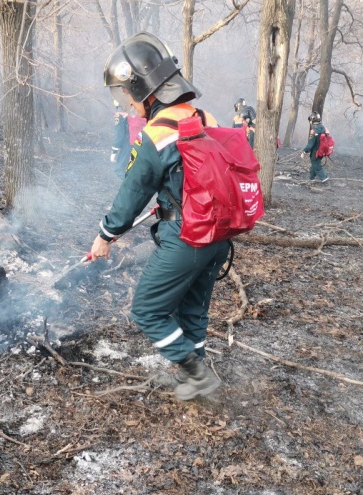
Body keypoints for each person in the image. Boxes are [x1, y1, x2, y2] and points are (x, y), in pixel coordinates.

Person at [89, 32, 229, 401]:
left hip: (187, 238)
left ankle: (195, 373)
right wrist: (172, 197)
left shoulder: (158, 131)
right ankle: (195, 375)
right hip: (218, 237)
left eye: (126, 93)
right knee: (193, 310)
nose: (129, 104)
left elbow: (132, 192)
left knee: (147, 309)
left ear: (145, 88)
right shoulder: (204, 116)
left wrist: (105, 235)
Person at [110, 101, 147, 177]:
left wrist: (114, 151)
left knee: (120, 169)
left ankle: (128, 187)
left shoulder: (120, 116)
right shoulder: (141, 114)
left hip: (130, 144)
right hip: (143, 144)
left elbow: (119, 134)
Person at [300, 111, 329, 183]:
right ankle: (311, 178)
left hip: (315, 151)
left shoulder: (313, 131)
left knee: (316, 164)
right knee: (315, 163)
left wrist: (304, 151)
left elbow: (310, 144)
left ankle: (324, 178)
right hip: (322, 150)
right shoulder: (323, 128)